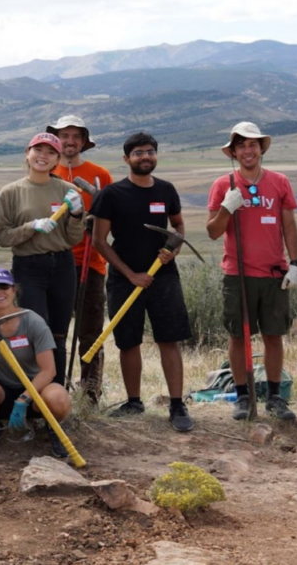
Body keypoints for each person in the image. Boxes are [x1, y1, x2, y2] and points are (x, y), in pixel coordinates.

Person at [89, 132, 194, 432]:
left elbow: (179, 226)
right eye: (138, 153)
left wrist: (174, 248)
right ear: (127, 159)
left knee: (168, 339)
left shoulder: (166, 190)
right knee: (128, 341)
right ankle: (134, 401)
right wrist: (130, 273)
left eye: (150, 152)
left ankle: (177, 404)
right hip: (125, 280)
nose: (145, 157)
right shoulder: (111, 195)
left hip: (163, 277)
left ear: (156, 156)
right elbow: (99, 240)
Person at [206, 122, 297, 421]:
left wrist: (296, 263)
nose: (248, 150)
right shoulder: (224, 185)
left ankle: (275, 398)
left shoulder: (280, 182)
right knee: (238, 336)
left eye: (252, 144)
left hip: (274, 273)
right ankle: (243, 397)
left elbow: (288, 225)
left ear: (261, 149)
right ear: (233, 152)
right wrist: (226, 209)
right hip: (237, 274)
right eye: (241, 146)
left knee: (274, 335)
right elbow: (212, 231)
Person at [0, 133, 85, 386]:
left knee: (58, 333)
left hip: (63, 266)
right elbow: (3, 237)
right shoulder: (11, 192)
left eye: (50, 152)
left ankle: (58, 395)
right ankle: (33, 395)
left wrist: (77, 215)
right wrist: (30, 227)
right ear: (27, 153)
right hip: (29, 268)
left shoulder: (68, 191)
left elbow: (73, 238)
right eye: (38, 150)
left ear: (57, 158)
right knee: (36, 332)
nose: (43, 156)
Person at [0, 268, 73, 459]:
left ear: (14, 290)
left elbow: (49, 371)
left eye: (4, 286)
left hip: (36, 394)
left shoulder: (33, 321)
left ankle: (53, 427)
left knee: (59, 398)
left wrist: (24, 399)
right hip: (1, 393)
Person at [49, 115, 113, 403]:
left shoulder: (100, 175)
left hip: (91, 263)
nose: (70, 141)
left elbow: (113, 218)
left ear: (84, 142)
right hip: (53, 263)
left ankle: (90, 395)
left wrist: (95, 222)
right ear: (56, 139)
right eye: (65, 135)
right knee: (54, 332)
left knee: (90, 334)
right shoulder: (46, 172)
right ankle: (52, 390)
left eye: (76, 136)